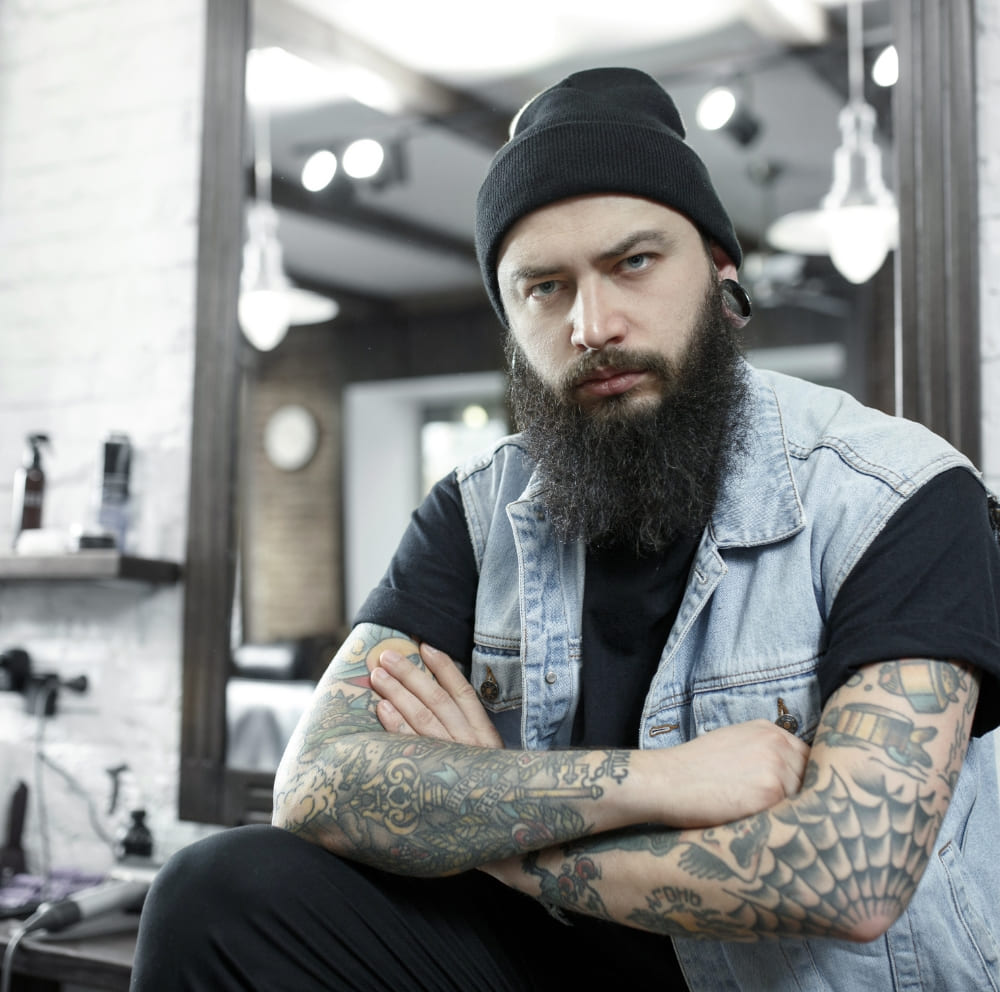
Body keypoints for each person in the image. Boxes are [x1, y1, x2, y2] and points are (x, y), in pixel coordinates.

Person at [131, 68, 1000, 991]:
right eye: (544, 288)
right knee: (215, 891)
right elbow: (318, 781)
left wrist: (493, 840)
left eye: (634, 263)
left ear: (721, 271)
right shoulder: (476, 513)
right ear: (511, 321)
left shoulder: (894, 494)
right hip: (546, 966)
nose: (593, 324)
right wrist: (658, 780)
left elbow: (853, 876)